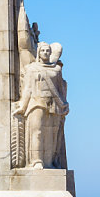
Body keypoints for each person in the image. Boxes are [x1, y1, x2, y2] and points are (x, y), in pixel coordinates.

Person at [15, 41, 69, 169]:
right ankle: (36, 160)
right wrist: (23, 107)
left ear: (50, 53)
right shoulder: (32, 69)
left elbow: (60, 89)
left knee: (51, 134)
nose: (45, 53)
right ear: (39, 52)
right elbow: (27, 89)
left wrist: (64, 104)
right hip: (36, 102)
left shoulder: (56, 69)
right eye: (43, 50)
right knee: (37, 132)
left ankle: (49, 162)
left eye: (47, 51)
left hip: (54, 103)